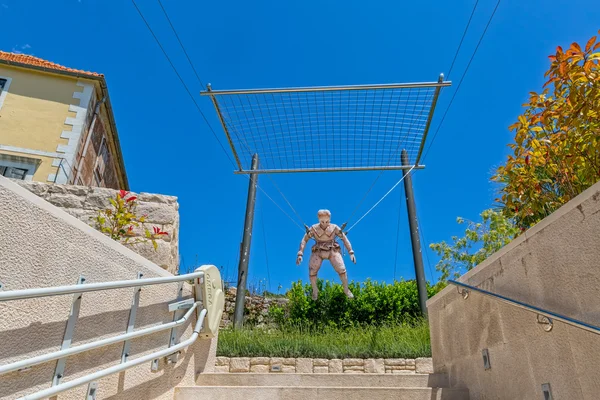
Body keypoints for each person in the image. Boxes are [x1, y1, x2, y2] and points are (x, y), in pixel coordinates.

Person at [296, 209, 356, 300]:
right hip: (318, 250)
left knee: (342, 269)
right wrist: (300, 253)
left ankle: (346, 289)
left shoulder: (334, 227)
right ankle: (315, 290)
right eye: (322, 221)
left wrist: (351, 252)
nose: (324, 223)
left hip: (332, 249)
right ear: (318, 220)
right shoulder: (313, 228)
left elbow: (344, 238)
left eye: (327, 221)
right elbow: (304, 239)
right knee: (312, 271)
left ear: (330, 220)